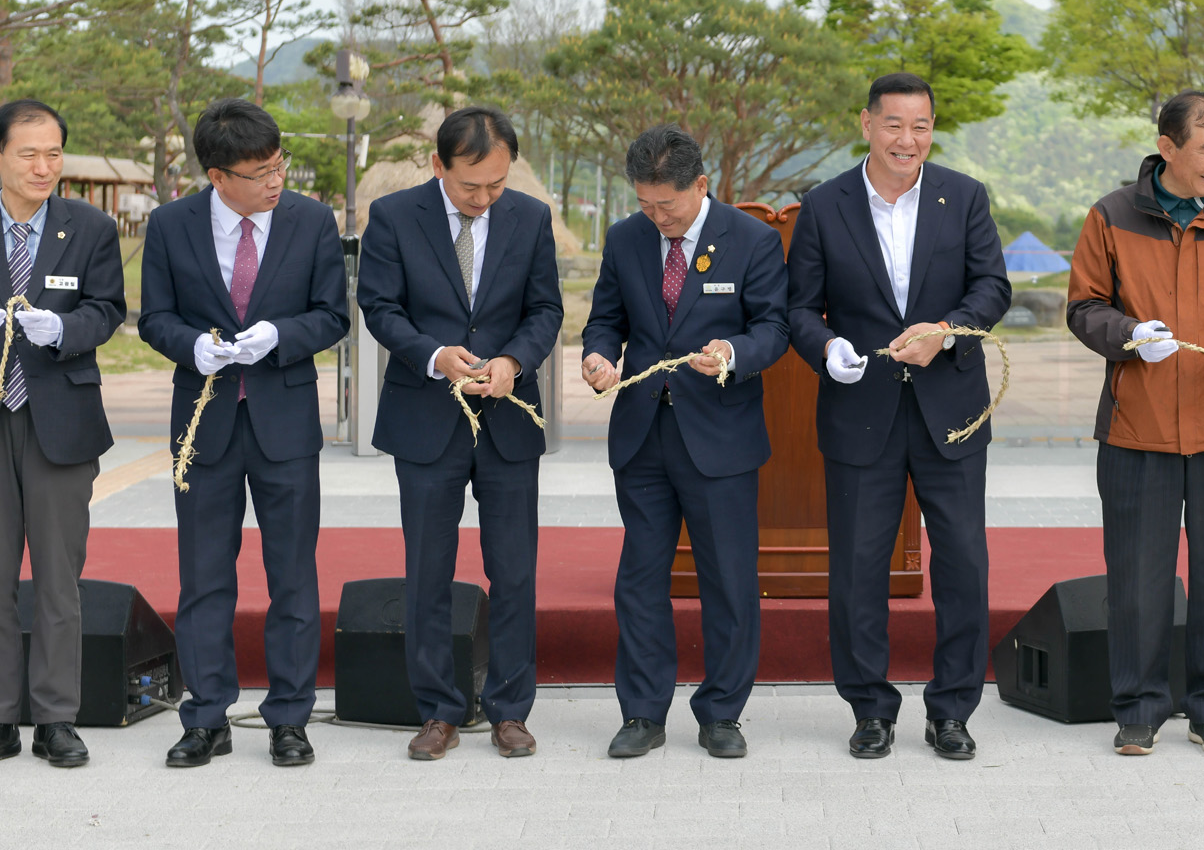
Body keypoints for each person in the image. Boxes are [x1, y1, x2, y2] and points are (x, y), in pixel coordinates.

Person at [787, 72, 1010, 761]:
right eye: (893, 125)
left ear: (931, 130)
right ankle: (869, 710)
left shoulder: (963, 196)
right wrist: (827, 349)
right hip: (860, 409)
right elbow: (799, 308)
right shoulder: (823, 205)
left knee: (963, 564)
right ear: (866, 125)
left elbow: (992, 286)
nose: (907, 140)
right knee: (858, 568)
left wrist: (947, 330)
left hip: (951, 410)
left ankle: (952, 710)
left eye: (920, 126)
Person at [1068, 90, 1204, 758]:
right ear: (1166, 147)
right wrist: (1129, 334)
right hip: (1136, 431)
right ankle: (1138, 708)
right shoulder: (1111, 215)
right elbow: (1083, 307)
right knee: (1136, 580)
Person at [138, 99, 348, 768]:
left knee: (293, 577)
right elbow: (154, 318)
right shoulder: (170, 225)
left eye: (279, 165)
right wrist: (191, 347)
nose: (275, 180)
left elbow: (333, 315)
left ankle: (289, 718)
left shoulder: (311, 220)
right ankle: (206, 718)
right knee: (203, 578)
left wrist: (280, 335)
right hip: (206, 424)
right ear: (217, 175)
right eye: (260, 173)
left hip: (286, 423)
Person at [358, 107, 563, 761]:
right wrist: (433, 355)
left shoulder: (530, 217)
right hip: (425, 418)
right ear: (438, 165)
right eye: (470, 185)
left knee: (515, 571)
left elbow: (545, 309)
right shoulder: (394, 217)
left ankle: (510, 709)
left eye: (497, 184)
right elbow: (379, 305)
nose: (484, 198)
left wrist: (513, 362)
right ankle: (437, 710)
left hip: (508, 419)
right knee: (428, 572)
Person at [581, 124, 788, 760]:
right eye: (645, 204)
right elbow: (605, 318)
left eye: (666, 205)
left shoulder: (751, 240)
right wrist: (597, 355)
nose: (657, 217)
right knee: (639, 579)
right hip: (643, 435)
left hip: (720, 437)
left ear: (700, 185)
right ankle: (643, 712)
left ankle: (722, 713)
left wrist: (734, 352)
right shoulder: (626, 238)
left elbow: (773, 327)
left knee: (728, 579)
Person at [0, 99, 125, 769]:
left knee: (57, 579)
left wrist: (64, 330)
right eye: (28, 153)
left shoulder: (89, 226)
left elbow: (107, 309)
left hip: (61, 419)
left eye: (53, 153)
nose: (43, 167)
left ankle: (55, 718)